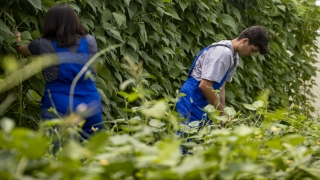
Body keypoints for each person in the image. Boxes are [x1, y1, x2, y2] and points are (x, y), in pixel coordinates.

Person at [12, 4, 102, 139]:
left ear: (50, 23)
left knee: (58, 150)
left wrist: (16, 36)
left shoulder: (42, 44)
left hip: (59, 102)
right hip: (90, 101)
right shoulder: (90, 41)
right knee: (92, 149)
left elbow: (22, 49)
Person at [176, 25, 269, 124]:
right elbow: (204, 85)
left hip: (203, 102)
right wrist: (222, 112)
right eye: (252, 50)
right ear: (245, 41)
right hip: (191, 99)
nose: (251, 55)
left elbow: (221, 87)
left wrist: (222, 116)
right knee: (184, 137)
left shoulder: (234, 57)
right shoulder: (223, 53)